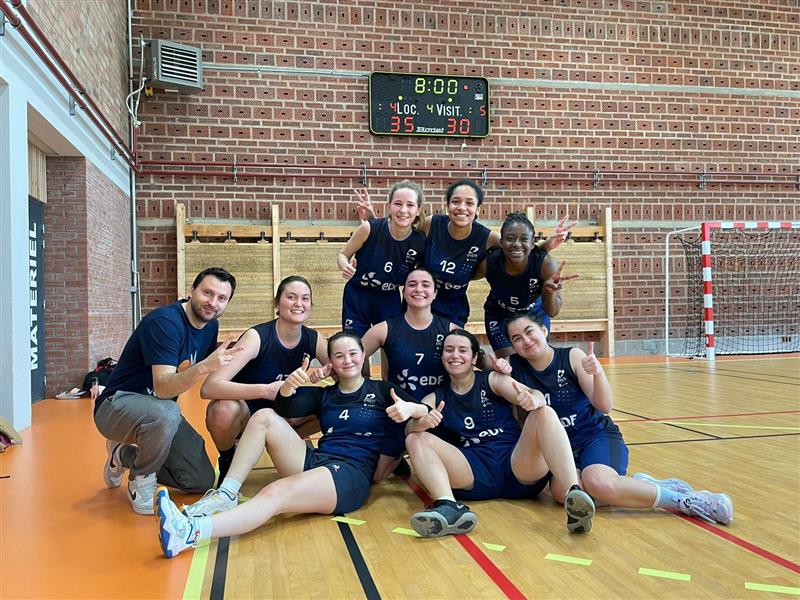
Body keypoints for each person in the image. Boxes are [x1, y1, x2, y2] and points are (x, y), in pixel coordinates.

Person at [154, 332, 423, 558]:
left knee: (275, 493)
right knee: (263, 417)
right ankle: (226, 494)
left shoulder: (382, 391)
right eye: (338, 355)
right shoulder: (326, 394)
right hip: (317, 461)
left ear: (363, 355)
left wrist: (411, 408)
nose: (347, 360)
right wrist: (288, 387)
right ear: (331, 363)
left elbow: (426, 412)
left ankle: (189, 532)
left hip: (350, 474)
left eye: (352, 353)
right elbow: (284, 408)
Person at [504, 313, 734, 525]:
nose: (525, 340)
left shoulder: (572, 356)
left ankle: (684, 501)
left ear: (544, 330)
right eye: (517, 338)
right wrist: (496, 364)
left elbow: (604, 406)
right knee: (564, 493)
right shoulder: (515, 369)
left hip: (595, 436)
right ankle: (644, 486)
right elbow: (482, 365)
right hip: (561, 450)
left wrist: (598, 373)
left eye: (529, 331)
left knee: (597, 483)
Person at [396, 329, 596, 538]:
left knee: (544, 412)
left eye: (462, 350)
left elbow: (533, 393)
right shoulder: (438, 396)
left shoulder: (493, 380)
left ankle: (573, 494)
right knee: (415, 437)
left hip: (516, 465)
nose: (455, 355)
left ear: (474, 357)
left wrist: (534, 399)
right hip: (474, 472)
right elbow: (411, 426)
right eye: (449, 350)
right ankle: (449, 507)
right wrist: (421, 422)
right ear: (443, 357)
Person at [94, 267, 240, 515]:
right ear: (191, 290)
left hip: (159, 413)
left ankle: (122, 454)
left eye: (221, 298)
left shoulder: (210, 326)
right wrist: (206, 365)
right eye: (207, 292)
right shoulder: (165, 322)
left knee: (200, 479)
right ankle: (141, 480)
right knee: (168, 411)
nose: (212, 303)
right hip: (116, 407)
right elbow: (162, 388)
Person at [356, 179, 573, 327]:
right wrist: (374, 219)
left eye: (470, 203)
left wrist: (546, 244)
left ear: (478, 210)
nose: (462, 207)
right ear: (448, 205)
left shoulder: (487, 237)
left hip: (453, 307)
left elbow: (518, 249)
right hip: (420, 301)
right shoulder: (431, 224)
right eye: (456, 201)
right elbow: (399, 236)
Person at [201, 276, 330, 483]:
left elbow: (347, 370)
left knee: (331, 401)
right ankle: (228, 456)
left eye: (305, 299)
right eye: (291, 297)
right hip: (248, 411)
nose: (299, 303)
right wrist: (265, 390)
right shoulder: (256, 337)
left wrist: (326, 372)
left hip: (285, 411)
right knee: (222, 410)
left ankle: (296, 441)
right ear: (277, 303)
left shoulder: (314, 338)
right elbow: (208, 388)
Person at [478, 212, 578, 358]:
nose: (517, 244)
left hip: (533, 313)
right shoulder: (490, 262)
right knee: (511, 366)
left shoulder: (545, 264)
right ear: (501, 242)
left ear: (532, 244)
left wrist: (549, 292)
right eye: (510, 239)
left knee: (536, 360)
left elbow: (553, 312)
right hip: (499, 314)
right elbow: (466, 276)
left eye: (524, 239)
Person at [338, 181, 426, 336]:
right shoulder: (369, 228)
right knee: (355, 346)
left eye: (410, 205)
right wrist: (345, 266)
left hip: (389, 297)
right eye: (398, 203)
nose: (403, 210)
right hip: (358, 295)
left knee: (391, 345)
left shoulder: (419, 241)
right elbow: (343, 254)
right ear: (389, 206)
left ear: (418, 210)